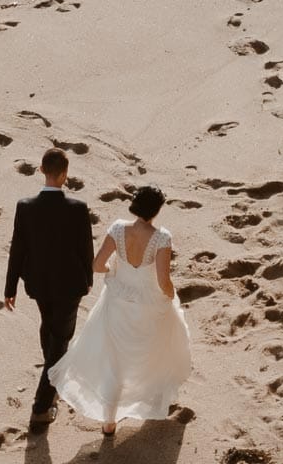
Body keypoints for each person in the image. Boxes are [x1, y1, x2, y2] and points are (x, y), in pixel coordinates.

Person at [47, 184, 194, 439]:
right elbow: (163, 280)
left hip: (117, 301)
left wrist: (116, 273)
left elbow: (96, 265)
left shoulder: (117, 228)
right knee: (156, 350)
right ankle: (154, 401)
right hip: (148, 304)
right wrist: (171, 296)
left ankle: (108, 423)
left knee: (113, 363)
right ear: (156, 210)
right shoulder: (162, 237)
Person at [5, 147, 96, 432]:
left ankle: (53, 379)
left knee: (50, 330)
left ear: (42, 170)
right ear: (65, 175)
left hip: (39, 285)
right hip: (70, 286)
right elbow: (85, 248)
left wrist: (10, 287)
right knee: (60, 341)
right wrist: (88, 278)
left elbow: (17, 249)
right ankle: (41, 408)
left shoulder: (25, 206)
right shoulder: (78, 208)